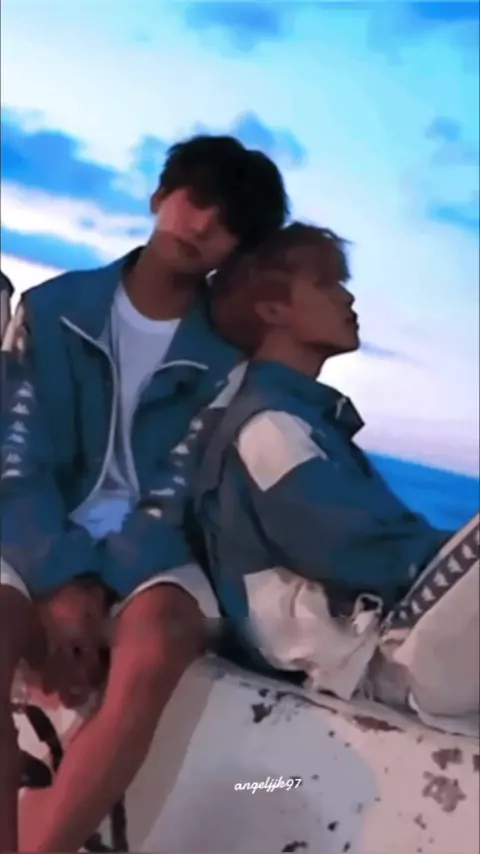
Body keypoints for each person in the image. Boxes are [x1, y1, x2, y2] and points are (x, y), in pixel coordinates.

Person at [0, 134, 288, 852]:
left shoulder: (227, 359)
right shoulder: (52, 308)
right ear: (161, 195)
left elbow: (176, 492)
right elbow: (18, 456)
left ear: (237, 249)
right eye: (196, 198)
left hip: (151, 550)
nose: (202, 224)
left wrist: (97, 589)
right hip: (36, 530)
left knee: (159, 642)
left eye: (227, 222)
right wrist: (60, 576)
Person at [187, 221, 479, 725]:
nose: (347, 297)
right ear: (272, 310)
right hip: (374, 661)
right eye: (326, 283)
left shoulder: (299, 420)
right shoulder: (270, 426)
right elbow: (357, 552)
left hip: (380, 650)